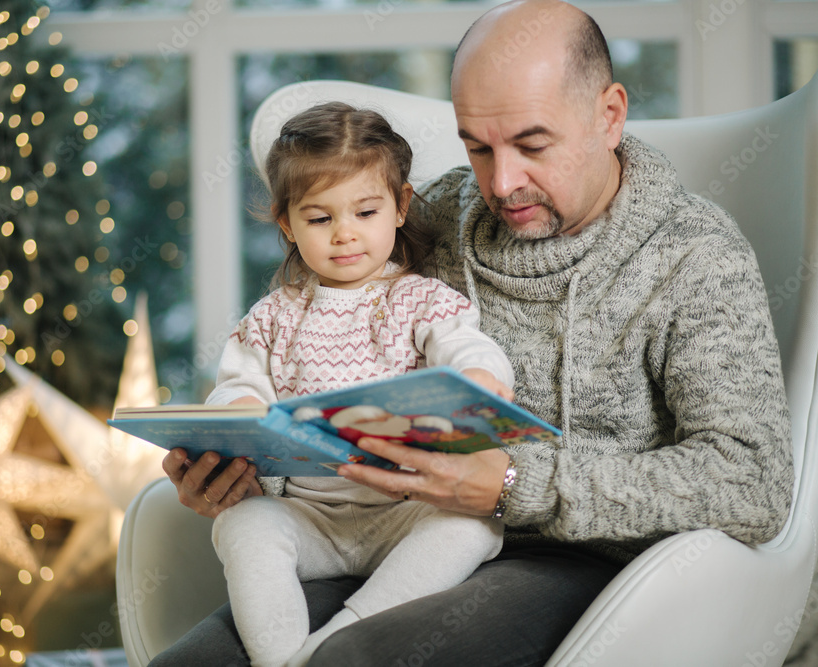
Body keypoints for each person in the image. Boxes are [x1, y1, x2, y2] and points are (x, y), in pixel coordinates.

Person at [157, 1, 795, 665]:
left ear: (609, 115)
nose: (502, 181)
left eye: (532, 144)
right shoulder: (437, 216)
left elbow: (752, 482)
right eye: (478, 146)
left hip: (586, 563)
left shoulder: (695, 256)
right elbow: (314, 332)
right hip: (389, 530)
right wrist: (237, 455)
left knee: (350, 659)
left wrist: (516, 480)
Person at [199, 101, 517, 667]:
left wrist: (480, 378)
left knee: (473, 528)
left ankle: (332, 645)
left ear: (400, 207)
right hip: (310, 518)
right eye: (320, 219)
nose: (345, 236)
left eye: (365, 212)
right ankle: (278, 657)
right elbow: (233, 386)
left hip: (405, 507)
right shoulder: (272, 317)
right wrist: (243, 404)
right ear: (286, 222)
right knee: (243, 523)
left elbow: (467, 345)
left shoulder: (422, 299)